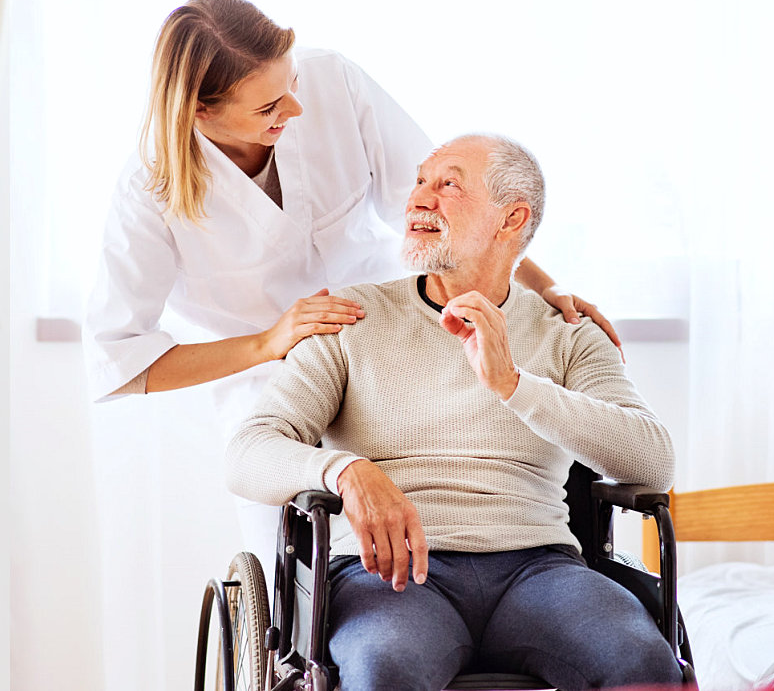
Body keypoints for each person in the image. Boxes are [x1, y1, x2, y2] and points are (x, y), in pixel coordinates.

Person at [84, 0, 619, 548]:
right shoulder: (150, 190)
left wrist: (544, 285)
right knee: (301, 576)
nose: (293, 108)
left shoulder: (330, 79)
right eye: (268, 109)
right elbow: (120, 359)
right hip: (274, 384)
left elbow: (430, 202)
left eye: (289, 82)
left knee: (443, 526)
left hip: (385, 350)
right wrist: (267, 343)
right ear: (202, 112)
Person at [223, 134, 682, 691]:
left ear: (510, 219)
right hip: (388, 576)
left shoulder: (568, 335)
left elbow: (653, 463)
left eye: (448, 185)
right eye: (419, 181)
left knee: (643, 662)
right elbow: (248, 452)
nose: (418, 198)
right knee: (383, 669)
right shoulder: (352, 319)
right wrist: (343, 470)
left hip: (538, 569)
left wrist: (514, 385)